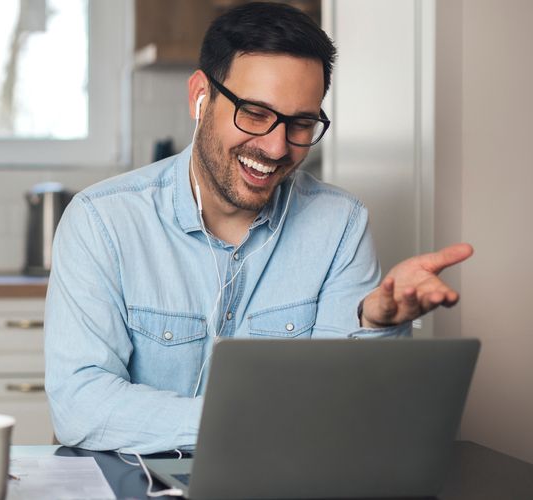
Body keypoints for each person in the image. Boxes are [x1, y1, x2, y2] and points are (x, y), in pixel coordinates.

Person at [43, 2, 473, 454]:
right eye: (254, 113)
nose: (274, 146)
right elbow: (80, 404)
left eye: (301, 123)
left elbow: (340, 408)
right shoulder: (101, 221)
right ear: (199, 96)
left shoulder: (340, 225)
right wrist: (247, 421)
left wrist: (374, 323)